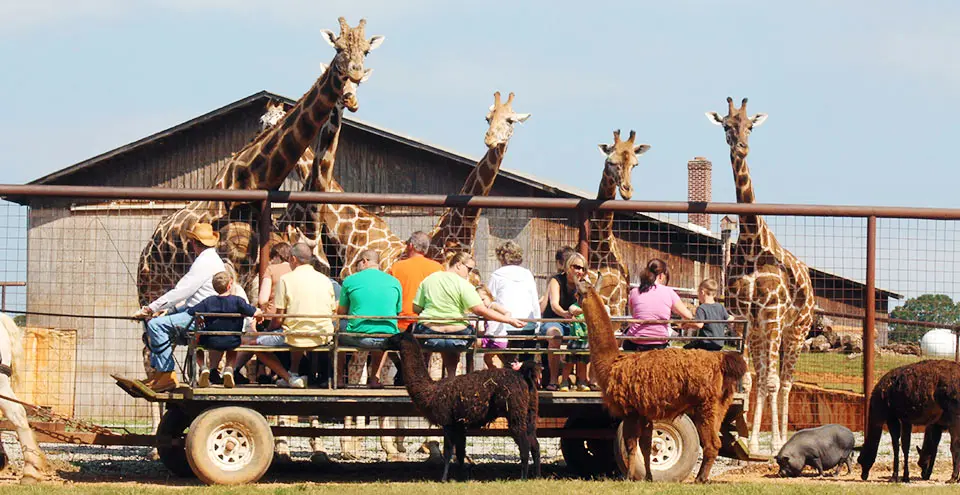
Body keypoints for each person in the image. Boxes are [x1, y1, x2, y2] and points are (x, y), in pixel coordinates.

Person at [136, 222, 225, 392]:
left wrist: (150, 308)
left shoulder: (205, 262)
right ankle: (159, 375)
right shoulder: (211, 259)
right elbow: (193, 298)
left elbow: (182, 291)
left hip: (200, 318)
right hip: (199, 312)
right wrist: (168, 311)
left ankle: (167, 373)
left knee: (155, 325)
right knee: (158, 322)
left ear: (193, 242)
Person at [412, 252, 525, 378]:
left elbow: (416, 308)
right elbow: (480, 310)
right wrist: (508, 320)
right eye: (469, 269)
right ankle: (452, 377)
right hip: (457, 334)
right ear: (459, 265)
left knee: (430, 340)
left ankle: (424, 378)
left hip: (428, 333)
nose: (469, 273)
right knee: (453, 344)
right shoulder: (464, 284)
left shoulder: (429, 279)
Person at [256, 242, 338, 388]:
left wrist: (269, 330)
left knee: (256, 345)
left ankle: (289, 378)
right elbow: (332, 311)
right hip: (323, 335)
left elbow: (279, 318)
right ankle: (294, 373)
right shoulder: (325, 280)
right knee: (299, 330)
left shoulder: (286, 280)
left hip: (295, 335)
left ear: (293, 259)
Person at [337, 249, 403, 388]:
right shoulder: (395, 282)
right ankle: (375, 379)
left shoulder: (350, 280)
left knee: (337, 331)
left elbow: (341, 312)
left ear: (364, 261)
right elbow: (397, 310)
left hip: (359, 336)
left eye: (358, 263)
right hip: (387, 337)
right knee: (381, 329)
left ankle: (339, 379)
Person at [189, 271, 263, 388]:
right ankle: (229, 369)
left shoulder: (208, 301)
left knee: (195, 344)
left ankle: (203, 367)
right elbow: (253, 312)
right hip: (232, 340)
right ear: (229, 285)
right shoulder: (238, 301)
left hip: (210, 340)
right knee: (232, 347)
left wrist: (200, 319)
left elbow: (191, 312)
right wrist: (259, 314)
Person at [486, 241, 541, 368]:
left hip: (505, 327)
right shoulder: (527, 274)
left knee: (506, 362)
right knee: (526, 362)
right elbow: (534, 301)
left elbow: (489, 300)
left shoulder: (496, 276)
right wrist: (537, 325)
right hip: (527, 325)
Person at [624, 258, 695, 352]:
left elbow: (634, 315)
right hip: (659, 342)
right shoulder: (669, 292)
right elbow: (688, 315)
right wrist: (684, 323)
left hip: (635, 342)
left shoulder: (634, 292)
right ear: (661, 276)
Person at [540, 252, 587, 391]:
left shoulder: (584, 284)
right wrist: (566, 314)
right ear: (568, 267)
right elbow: (554, 305)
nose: (580, 271)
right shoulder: (556, 280)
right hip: (554, 320)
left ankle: (584, 380)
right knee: (555, 335)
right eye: (577, 267)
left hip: (574, 324)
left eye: (583, 268)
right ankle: (554, 380)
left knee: (590, 336)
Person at [389, 231, 444, 334]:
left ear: (410, 246)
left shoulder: (397, 267)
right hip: (429, 324)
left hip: (403, 323)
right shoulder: (438, 268)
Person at [683, 278, 733, 351]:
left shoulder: (702, 308)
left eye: (698, 293)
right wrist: (733, 317)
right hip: (719, 343)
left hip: (705, 343)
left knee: (685, 349)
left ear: (702, 292)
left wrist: (687, 325)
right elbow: (729, 319)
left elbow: (699, 325)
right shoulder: (720, 306)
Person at [476, 286, 513, 369]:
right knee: (488, 358)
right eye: (479, 302)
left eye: (483, 299)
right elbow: (488, 329)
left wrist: (506, 319)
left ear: (489, 297)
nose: (482, 303)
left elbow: (507, 312)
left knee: (484, 354)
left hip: (496, 340)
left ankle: (495, 372)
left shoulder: (493, 306)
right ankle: (501, 369)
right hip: (491, 339)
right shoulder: (484, 311)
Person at [560, 300, 590, 392]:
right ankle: (564, 382)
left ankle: (581, 382)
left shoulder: (590, 308)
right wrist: (586, 309)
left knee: (582, 363)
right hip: (574, 340)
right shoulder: (573, 306)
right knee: (569, 363)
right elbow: (573, 310)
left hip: (585, 340)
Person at [540, 246, 576, 314]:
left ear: (558, 262)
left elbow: (543, 308)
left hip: (555, 318)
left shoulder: (555, 279)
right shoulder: (579, 278)